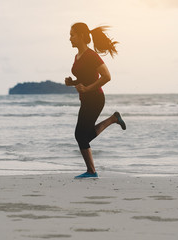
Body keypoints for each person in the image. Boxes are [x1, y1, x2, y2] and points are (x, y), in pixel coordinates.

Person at [65, 22, 126, 179]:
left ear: (81, 36)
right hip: (86, 99)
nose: (70, 38)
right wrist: (72, 82)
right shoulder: (77, 56)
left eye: (72, 34)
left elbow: (107, 76)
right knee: (82, 135)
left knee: (80, 135)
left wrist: (87, 89)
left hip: (95, 98)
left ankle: (91, 171)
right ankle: (113, 119)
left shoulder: (91, 55)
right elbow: (85, 77)